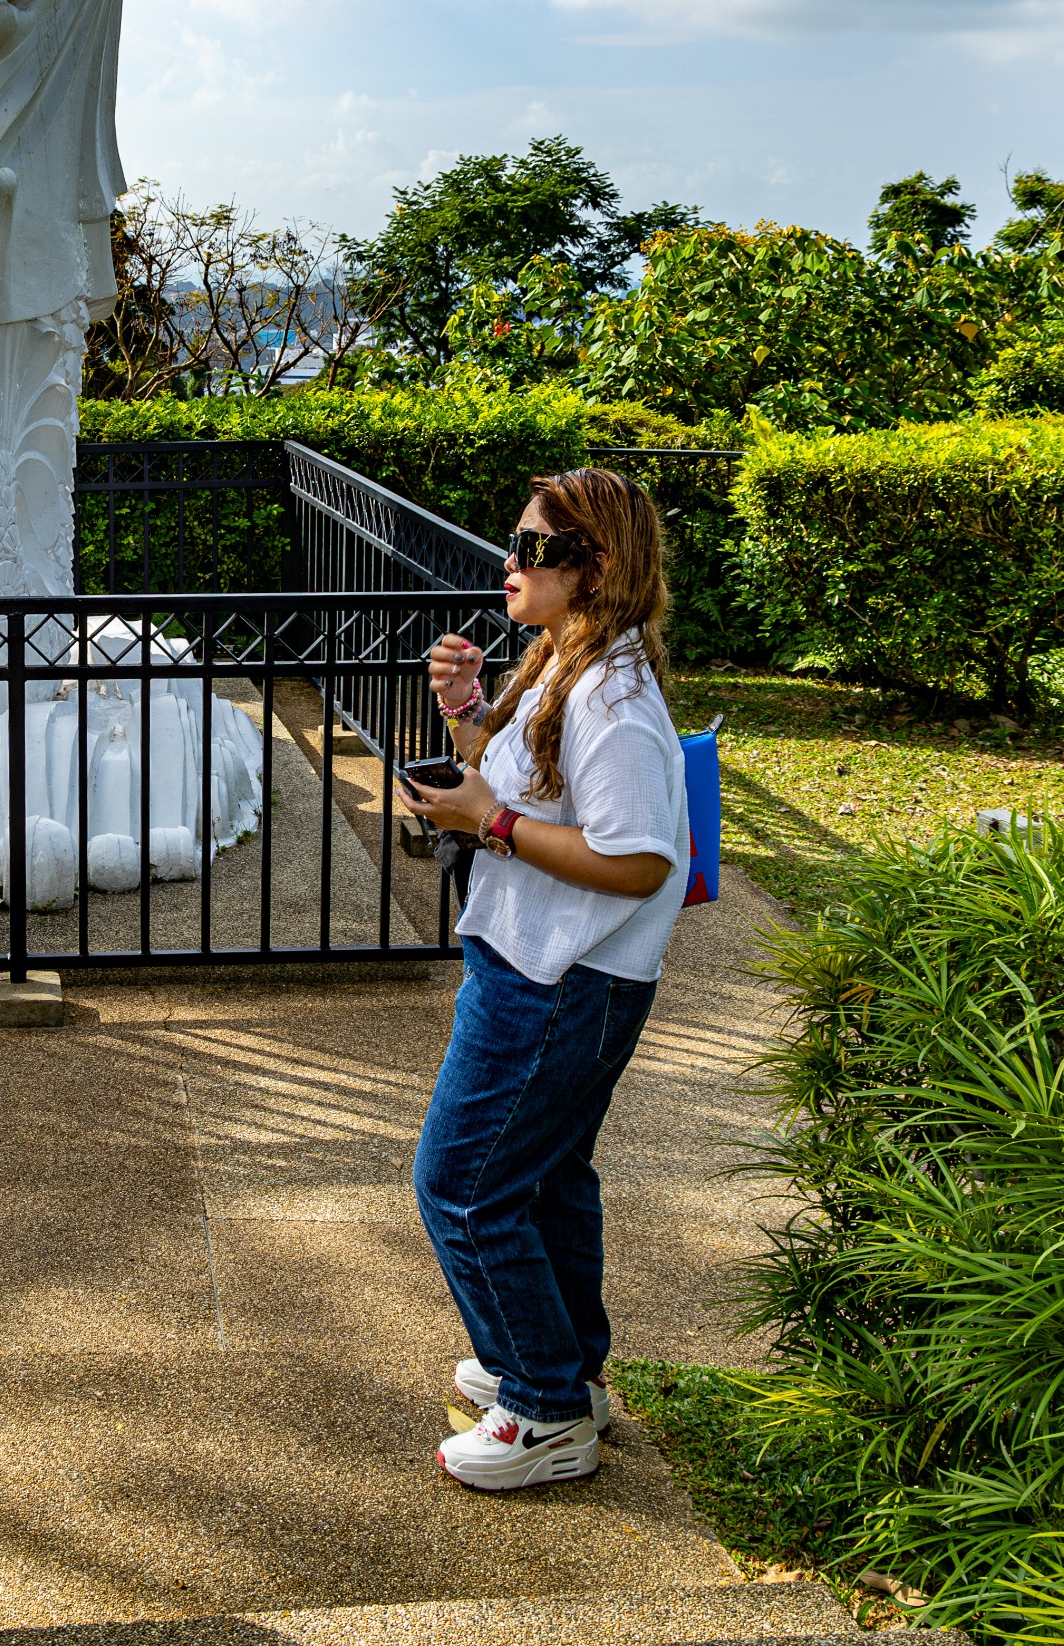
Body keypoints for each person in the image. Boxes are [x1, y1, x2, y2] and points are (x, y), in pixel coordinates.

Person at [398, 468, 689, 1492]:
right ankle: (567, 1369)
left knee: (462, 1187)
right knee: (548, 1175)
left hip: (559, 978)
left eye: (532, 550)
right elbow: (516, 778)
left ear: (594, 567)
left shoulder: (612, 698)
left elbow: (641, 856)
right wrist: (465, 712)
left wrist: (492, 826)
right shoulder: (564, 661)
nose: (509, 565)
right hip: (552, 963)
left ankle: (545, 1406)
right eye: (514, 544)